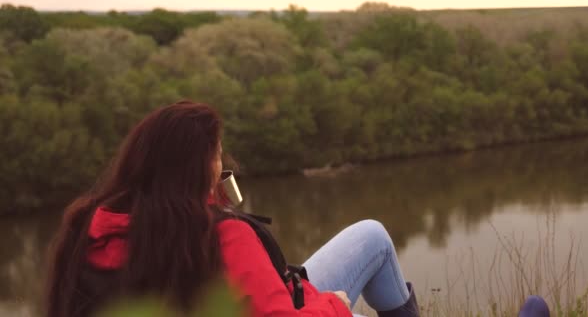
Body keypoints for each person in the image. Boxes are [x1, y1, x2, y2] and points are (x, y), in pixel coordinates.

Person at [45, 100, 549, 317]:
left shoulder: (88, 226)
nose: (222, 163)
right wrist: (332, 304)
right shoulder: (218, 235)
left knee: (371, 234)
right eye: (216, 155)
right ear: (195, 166)